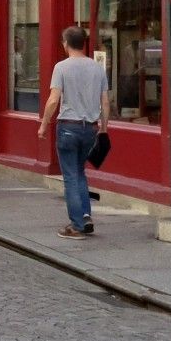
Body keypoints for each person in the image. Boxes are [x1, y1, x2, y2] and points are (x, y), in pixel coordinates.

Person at [38, 24, 108, 239]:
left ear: (66, 44)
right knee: (80, 172)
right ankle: (86, 216)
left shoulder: (61, 67)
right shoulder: (98, 68)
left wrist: (43, 124)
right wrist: (103, 128)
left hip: (68, 126)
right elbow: (105, 102)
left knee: (69, 176)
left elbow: (53, 100)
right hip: (90, 128)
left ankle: (76, 225)